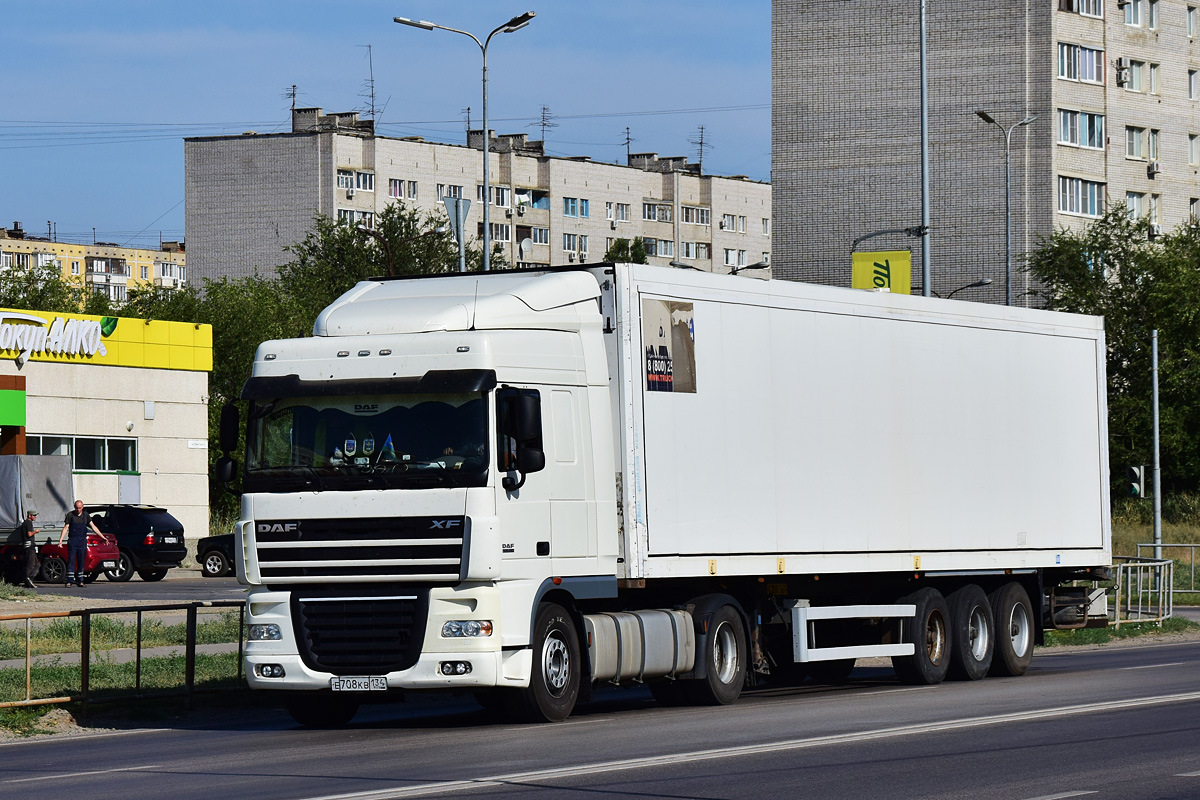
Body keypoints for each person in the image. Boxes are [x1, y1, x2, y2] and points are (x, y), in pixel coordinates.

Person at [58, 500, 100, 587]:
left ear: (82, 507)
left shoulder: (86, 515)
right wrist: (60, 540)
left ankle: (80, 580)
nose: (78, 510)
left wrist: (102, 536)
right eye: (77, 508)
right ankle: (69, 580)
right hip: (73, 541)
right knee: (71, 560)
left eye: (80, 508)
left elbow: (93, 526)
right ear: (74, 507)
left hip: (82, 541)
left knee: (81, 561)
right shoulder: (70, 515)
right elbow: (66, 528)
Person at [20, 509, 39, 589]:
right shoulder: (28, 523)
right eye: (34, 515)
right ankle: (28, 578)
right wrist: (35, 531)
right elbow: (29, 534)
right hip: (29, 547)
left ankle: (28, 580)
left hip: (30, 546)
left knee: (37, 564)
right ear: (29, 516)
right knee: (31, 564)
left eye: (35, 515)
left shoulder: (26, 523)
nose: (35, 517)